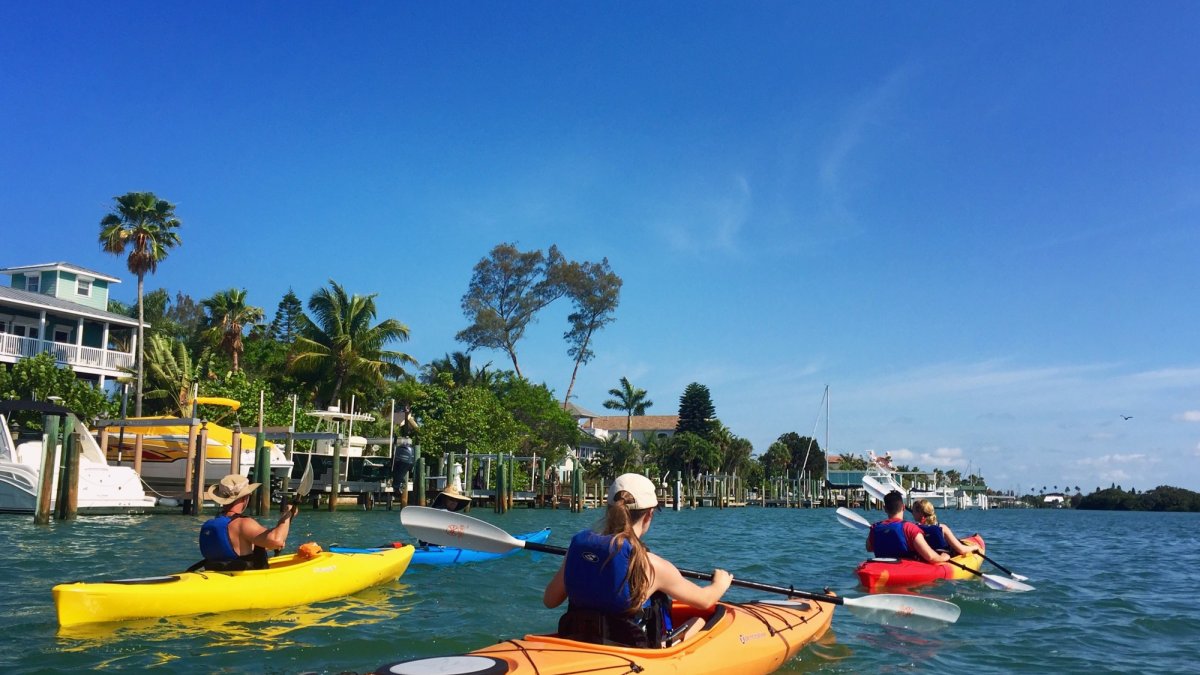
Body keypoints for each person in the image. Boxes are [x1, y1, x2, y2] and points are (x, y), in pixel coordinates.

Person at [543, 473, 733, 648]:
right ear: (649, 514)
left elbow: (550, 600)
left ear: (609, 510)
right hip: (629, 651)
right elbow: (705, 601)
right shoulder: (652, 565)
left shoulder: (577, 549)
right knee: (700, 620)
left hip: (580, 641)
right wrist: (721, 583)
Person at [197, 474, 297, 571]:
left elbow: (232, 549)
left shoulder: (209, 525)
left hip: (217, 575)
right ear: (245, 497)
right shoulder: (243, 523)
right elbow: (276, 540)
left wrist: (265, 545)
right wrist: (287, 515)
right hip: (243, 580)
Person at [865, 490, 949, 563]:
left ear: (885, 509)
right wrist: (943, 557)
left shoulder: (875, 528)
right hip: (905, 569)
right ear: (903, 507)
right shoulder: (910, 528)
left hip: (882, 568)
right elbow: (930, 556)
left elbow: (869, 548)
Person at [910, 498, 980, 557]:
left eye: (913, 511)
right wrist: (975, 547)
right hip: (941, 557)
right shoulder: (942, 528)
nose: (912, 513)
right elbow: (961, 550)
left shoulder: (912, 528)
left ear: (920, 514)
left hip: (924, 558)